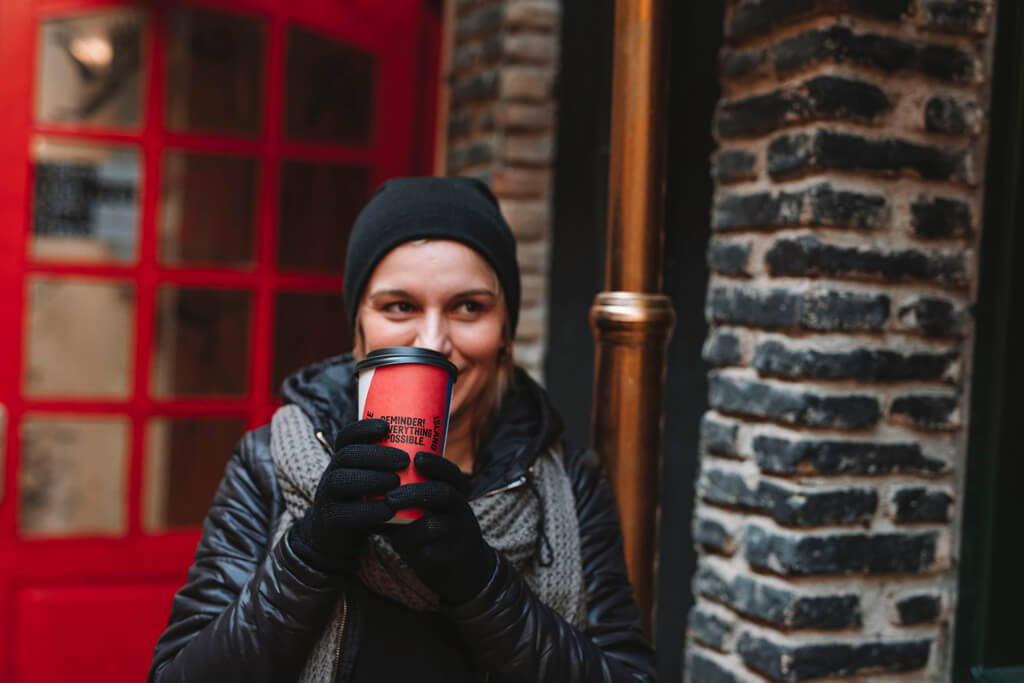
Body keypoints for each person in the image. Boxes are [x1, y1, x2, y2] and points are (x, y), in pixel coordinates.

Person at [148, 177, 657, 683]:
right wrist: (307, 558)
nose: (433, 341)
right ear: (360, 327)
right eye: (399, 306)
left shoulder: (567, 480)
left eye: (469, 307)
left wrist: (482, 583)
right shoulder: (269, 461)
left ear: (504, 330)